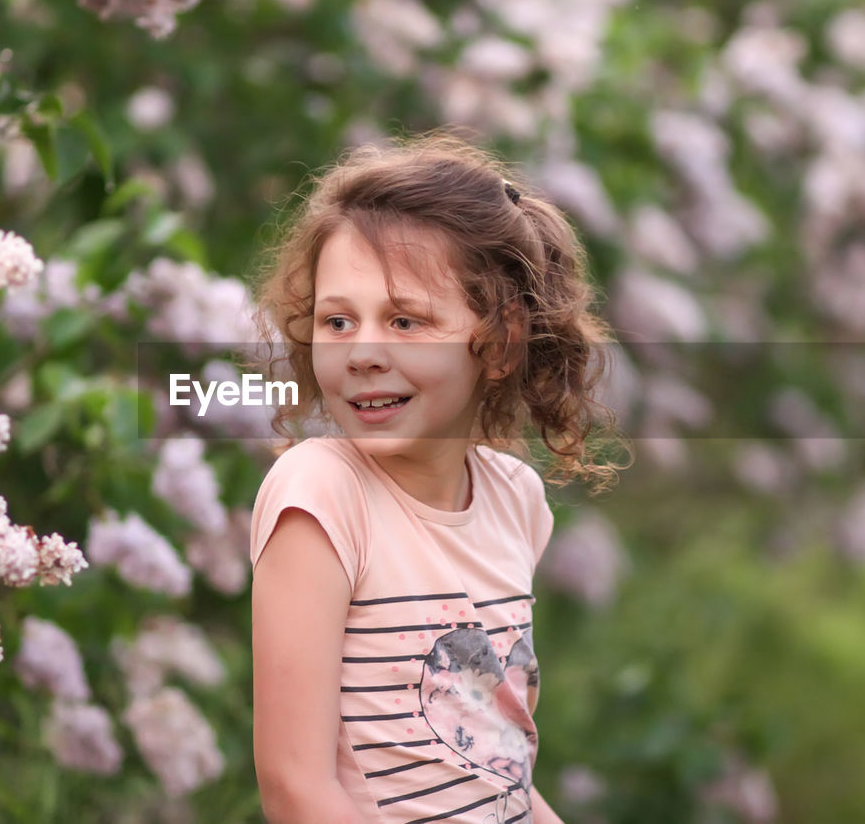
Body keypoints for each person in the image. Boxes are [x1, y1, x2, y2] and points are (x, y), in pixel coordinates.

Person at [248, 132, 628, 823]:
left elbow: (495, 770)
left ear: (502, 342)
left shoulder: (515, 500)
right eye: (338, 321)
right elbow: (295, 786)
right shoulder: (322, 497)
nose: (362, 352)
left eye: (405, 320)